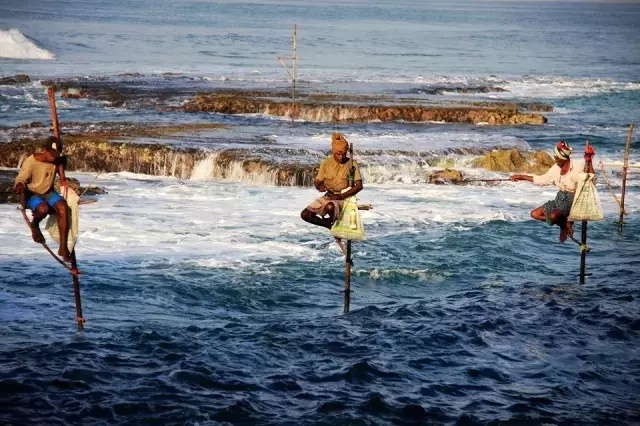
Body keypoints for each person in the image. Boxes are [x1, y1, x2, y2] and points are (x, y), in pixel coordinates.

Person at [509, 140, 595, 243]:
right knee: (535, 214)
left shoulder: (577, 166)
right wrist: (521, 176)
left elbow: (591, 179)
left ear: (564, 158)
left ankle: (565, 224)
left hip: (572, 199)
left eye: (557, 158)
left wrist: (589, 161)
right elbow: (541, 180)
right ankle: (563, 225)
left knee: (553, 216)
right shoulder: (556, 168)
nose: (555, 160)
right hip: (560, 197)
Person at [14, 136, 72, 262]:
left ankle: (63, 247)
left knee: (63, 207)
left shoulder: (58, 160)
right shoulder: (31, 161)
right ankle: (35, 226)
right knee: (43, 209)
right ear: (44, 150)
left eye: (56, 154)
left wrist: (61, 164)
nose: (54, 157)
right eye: (51, 154)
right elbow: (21, 178)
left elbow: (62, 177)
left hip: (48, 192)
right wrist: (19, 185)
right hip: (31, 193)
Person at [301, 133, 363, 229]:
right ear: (334, 152)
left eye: (343, 154)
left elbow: (359, 186)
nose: (341, 157)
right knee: (305, 215)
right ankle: (328, 224)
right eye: (338, 154)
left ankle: (334, 222)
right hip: (329, 196)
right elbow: (319, 183)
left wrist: (341, 196)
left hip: (344, 198)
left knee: (330, 207)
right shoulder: (326, 163)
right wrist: (319, 185)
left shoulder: (352, 164)